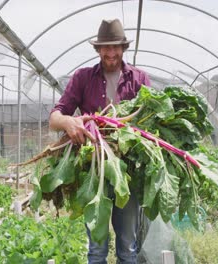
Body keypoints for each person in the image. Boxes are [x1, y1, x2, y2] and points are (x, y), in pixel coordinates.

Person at [49, 19, 150, 264]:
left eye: (116, 46)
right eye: (105, 47)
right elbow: (54, 117)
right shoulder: (83, 77)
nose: (111, 52)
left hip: (128, 173)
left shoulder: (139, 79)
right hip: (94, 171)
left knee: (127, 248)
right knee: (96, 251)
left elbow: (151, 122)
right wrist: (69, 123)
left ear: (123, 48)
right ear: (98, 49)